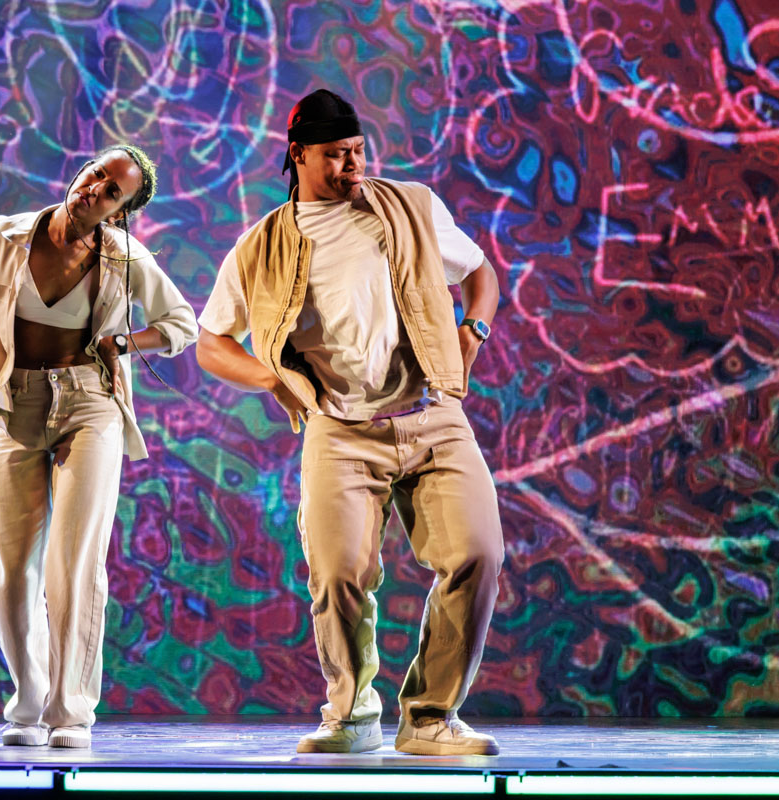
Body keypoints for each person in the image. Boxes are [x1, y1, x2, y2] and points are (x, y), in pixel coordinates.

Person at [196, 90, 504, 756]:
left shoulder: (411, 206)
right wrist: (272, 378)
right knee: (337, 576)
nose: (353, 166)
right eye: (336, 155)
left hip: (431, 415)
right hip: (339, 428)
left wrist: (473, 328)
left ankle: (430, 718)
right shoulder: (263, 245)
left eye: (358, 151)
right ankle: (352, 713)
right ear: (299, 155)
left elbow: (480, 272)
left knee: (478, 555)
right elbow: (211, 342)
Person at [0, 144, 198, 749]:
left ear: (120, 210)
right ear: (81, 171)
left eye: (112, 191)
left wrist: (125, 344)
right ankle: (29, 695)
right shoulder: (7, 236)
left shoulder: (125, 257)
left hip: (90, 402)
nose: (95, 189)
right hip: (15, 402)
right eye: (96, 174)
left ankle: (70, 709)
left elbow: (182, 323)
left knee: (74, 562)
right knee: (10, 566)